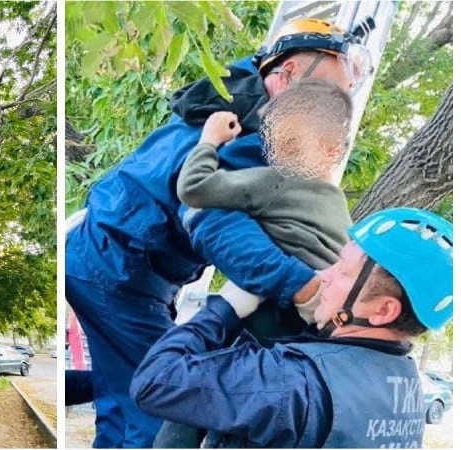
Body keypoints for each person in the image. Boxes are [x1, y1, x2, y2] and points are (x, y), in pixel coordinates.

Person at [65, 17, 371, 447]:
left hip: (114, 260)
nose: (332, 107)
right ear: (285, 79)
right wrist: (303, 287)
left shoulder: (237, 90)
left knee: (123, 395)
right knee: (158, 402)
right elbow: (210, 220)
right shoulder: (258, 137)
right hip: (116, 269)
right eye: (326, 92)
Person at [131, 207, 452, 448]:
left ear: (383, 310)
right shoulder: (405, 385)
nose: (325, 275)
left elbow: (153, 383)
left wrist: (223, 311)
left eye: (344, 272)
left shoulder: (294, 381)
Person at [178, 78, 354, 326]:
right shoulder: (338, 207)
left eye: (290, 144)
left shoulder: (278, 180)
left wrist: (209, 139)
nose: (277, 156)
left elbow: (193, 187)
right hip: (317, 320)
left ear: (330, 149)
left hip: (275, 313)